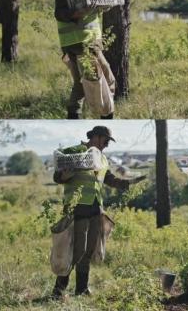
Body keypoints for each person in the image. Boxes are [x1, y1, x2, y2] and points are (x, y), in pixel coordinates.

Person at [51, 126, 146, 298]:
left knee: (88, 250)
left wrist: (128, 183)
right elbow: (58, 177)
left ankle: (81, 289)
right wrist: (63, 176)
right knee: (73, 251)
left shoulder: (102, 159)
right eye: (106, 141)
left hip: (96, 210)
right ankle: (58, 291)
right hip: (77, 209)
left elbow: (109, 178)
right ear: (96, 137)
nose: (107, 145)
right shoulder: (74, 152)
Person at [55, 0, 115, 119]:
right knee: (99, 81)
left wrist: (102, 6)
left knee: (82, 85)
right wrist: (79, 13)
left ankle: (74, 116)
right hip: (81, 44)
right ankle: (107, 115)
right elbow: (60, 13)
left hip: (86, 42)